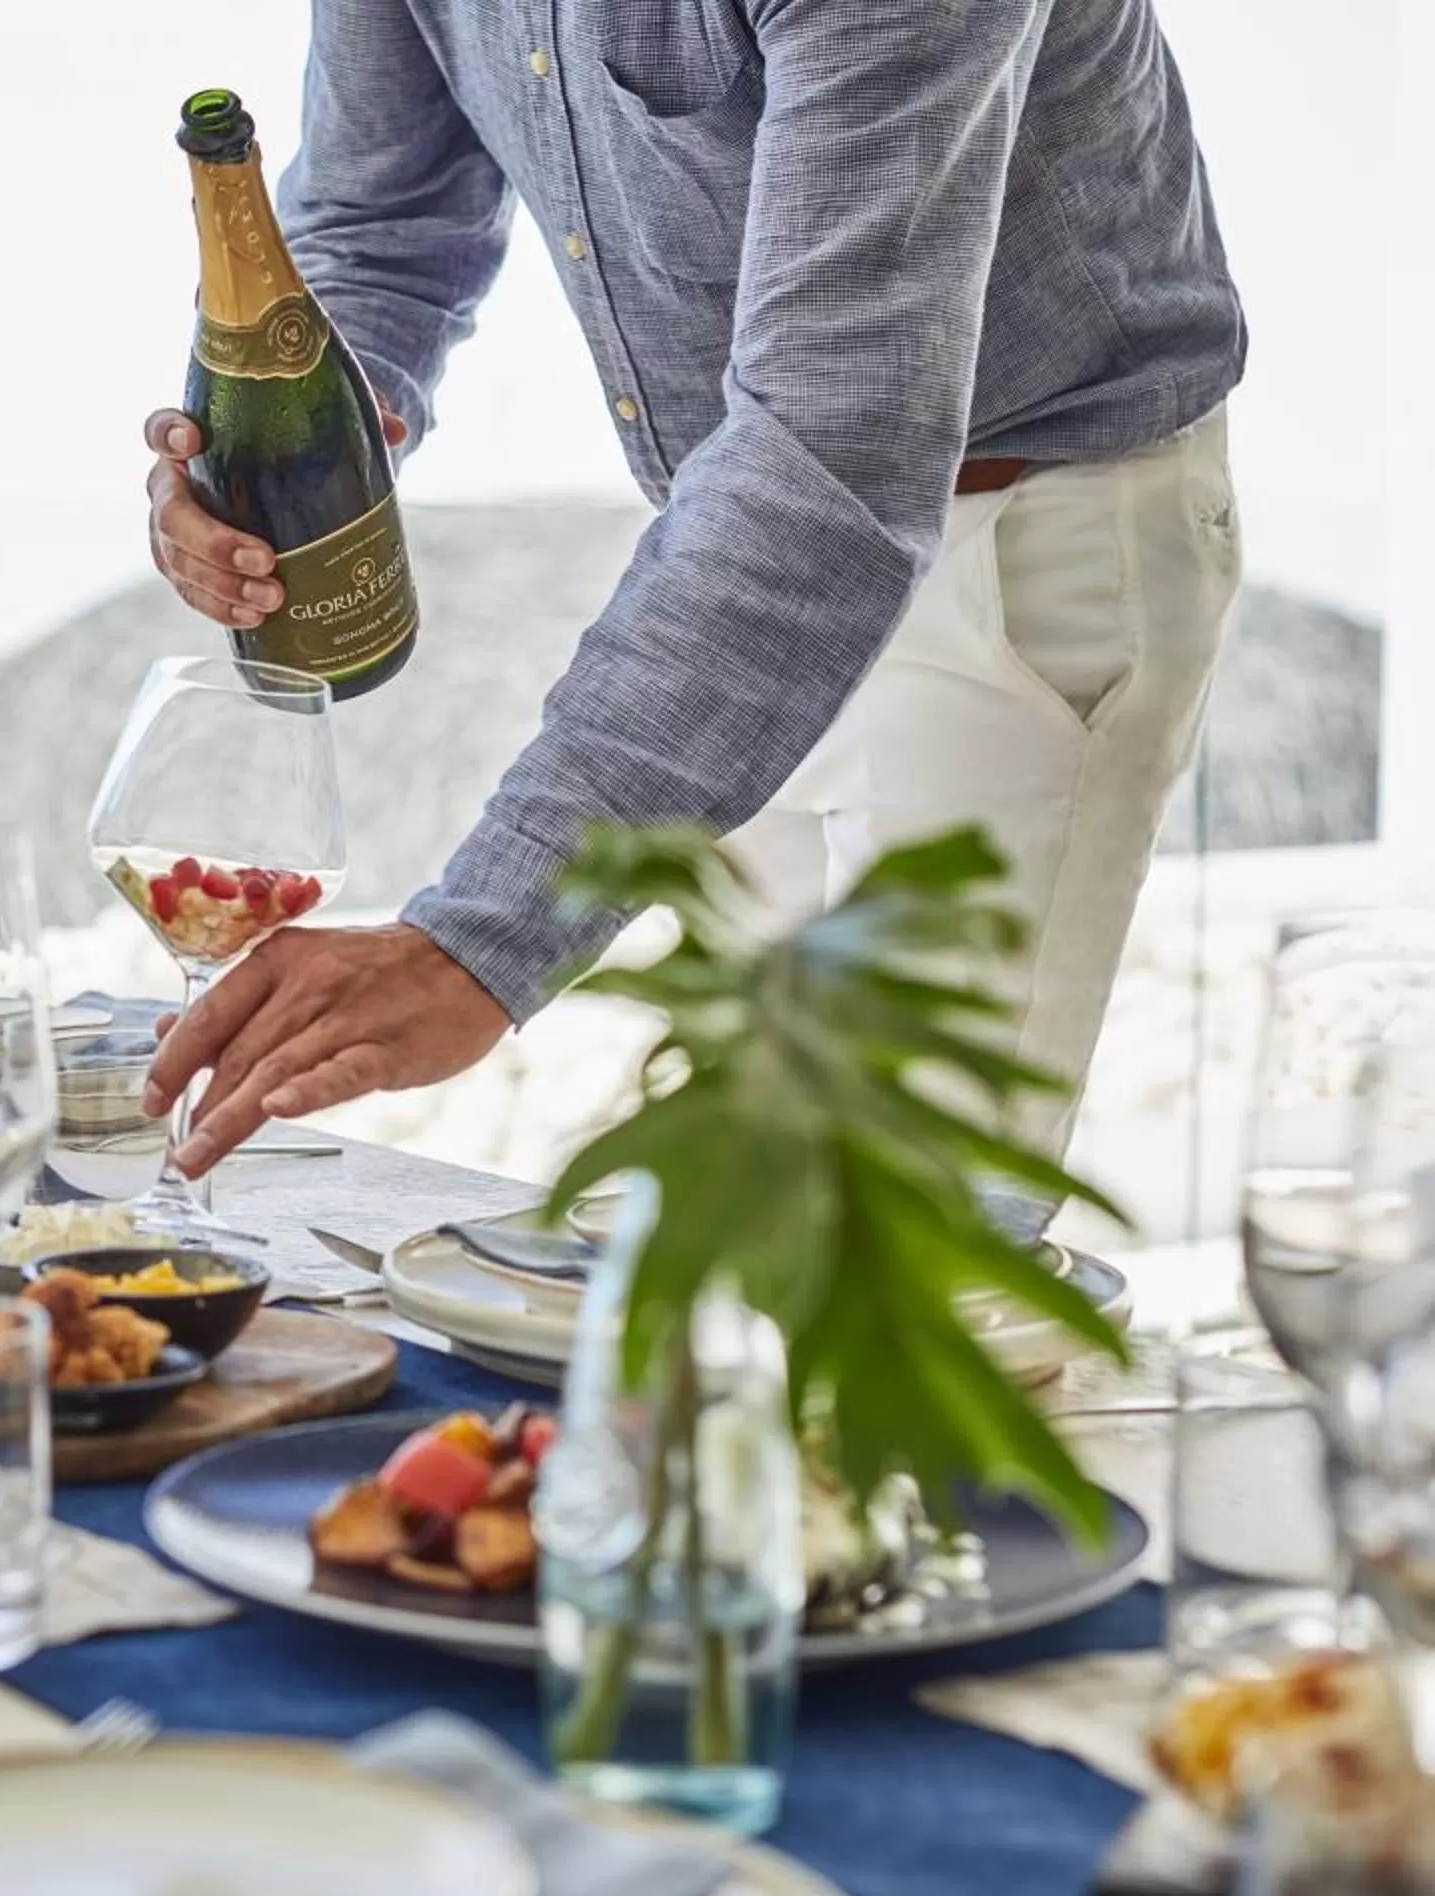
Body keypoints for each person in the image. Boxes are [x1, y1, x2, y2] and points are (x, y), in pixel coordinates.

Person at [142, 0, 1243, 1175]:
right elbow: (378, 222)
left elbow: (829, 450)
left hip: (1017, 549)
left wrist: (470, 944)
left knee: (913, 1215)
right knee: (758, 1190)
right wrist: (288, 447)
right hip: (731, 563)